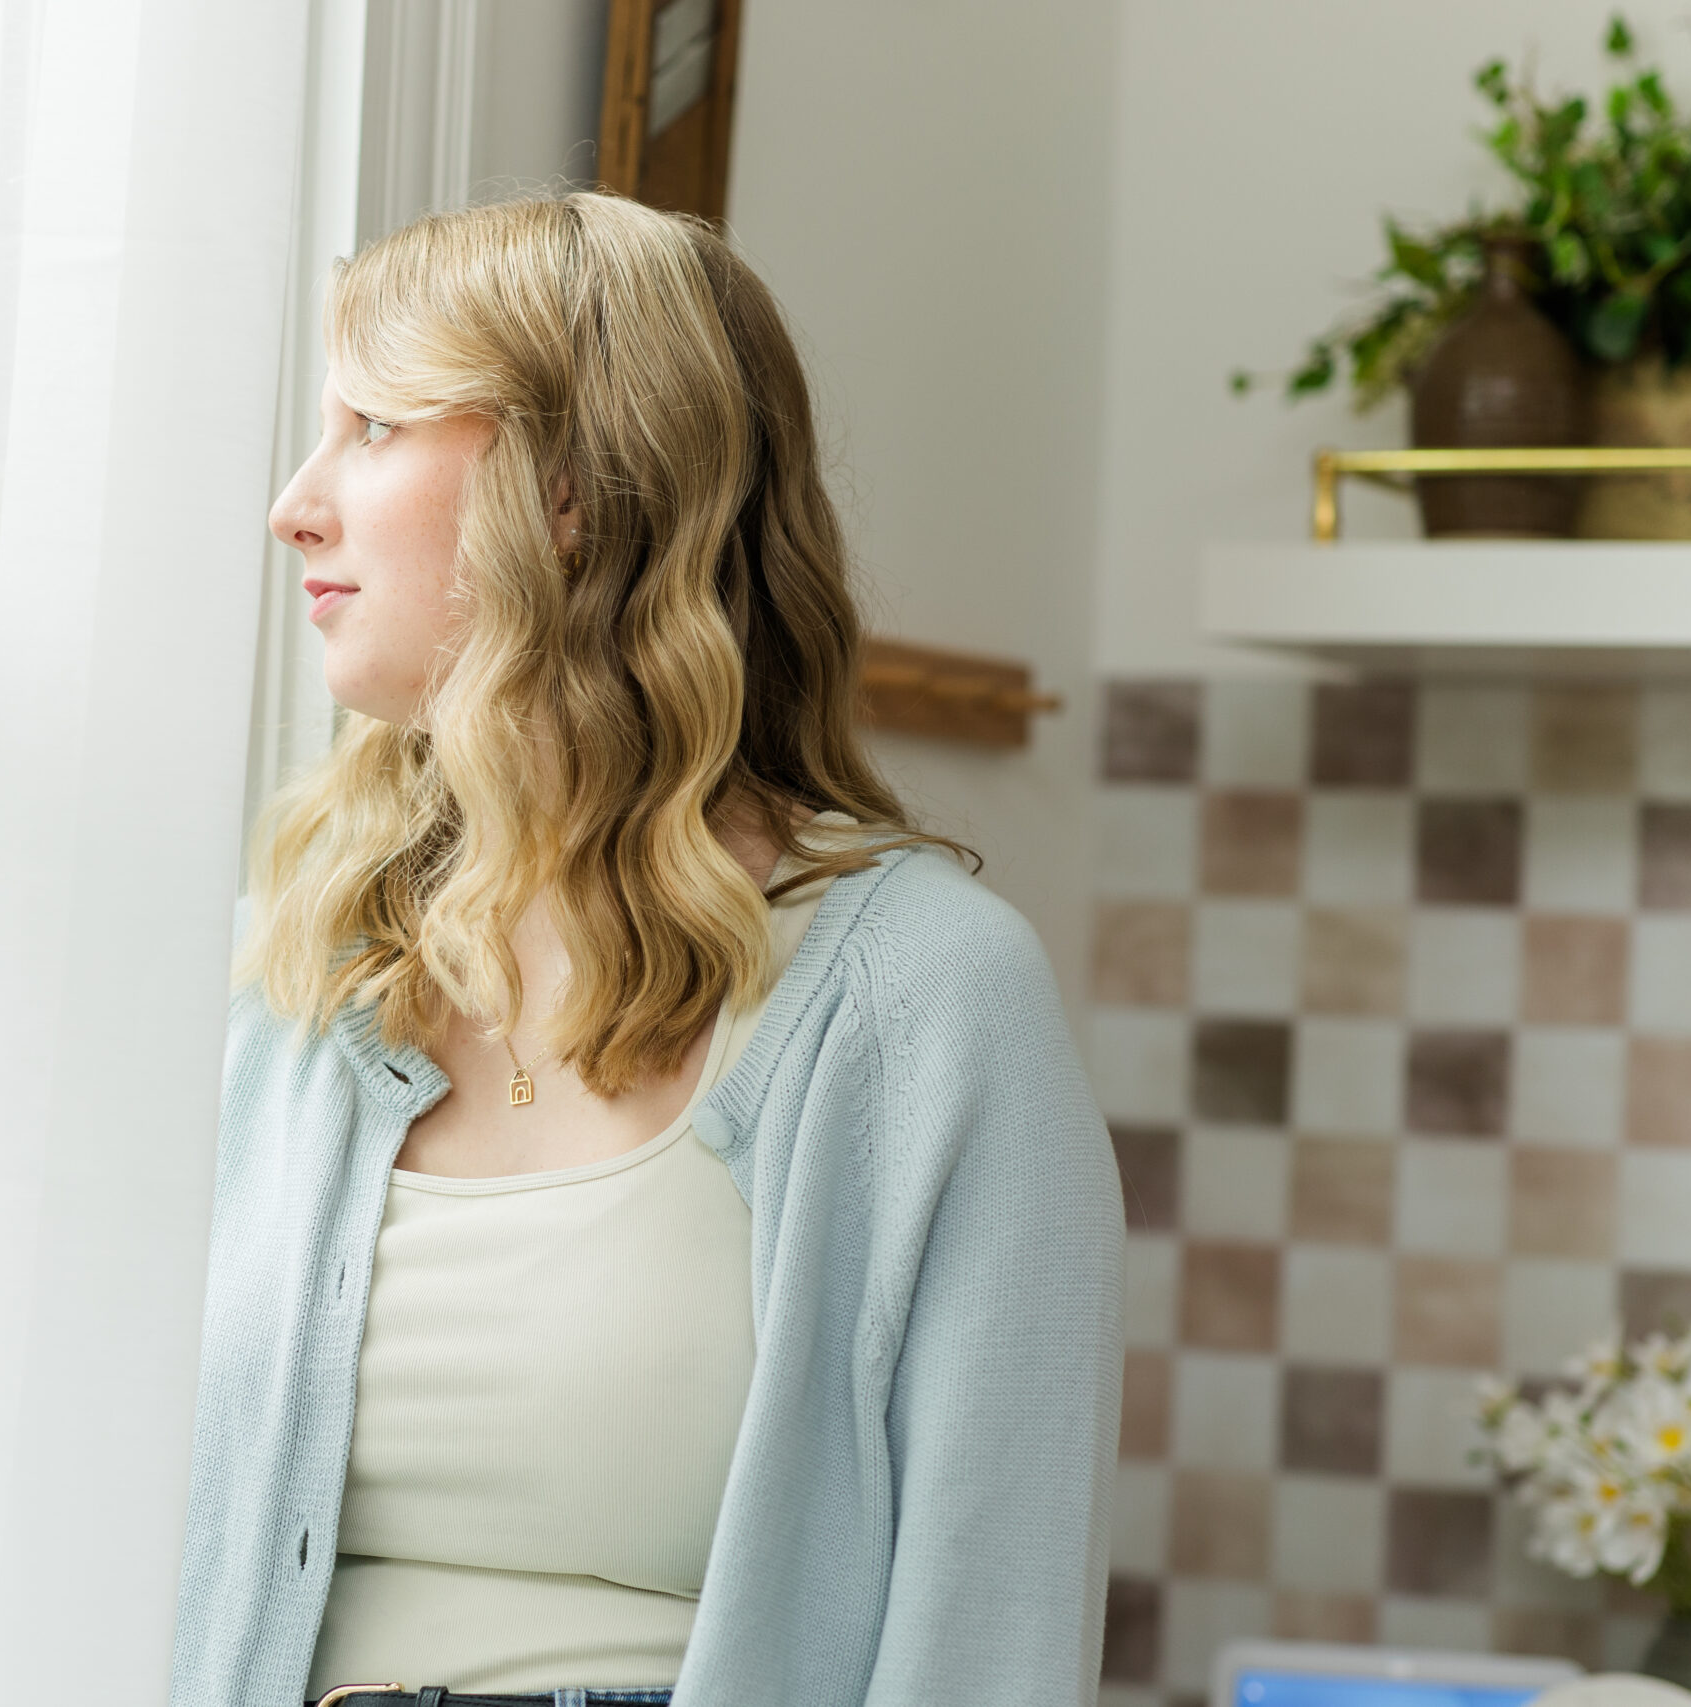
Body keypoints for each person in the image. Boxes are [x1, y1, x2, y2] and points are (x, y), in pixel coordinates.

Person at [170, 191, 1122, 1707]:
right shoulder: (276, 980)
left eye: (376, 427)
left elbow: (988, 1641)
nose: (295, 504)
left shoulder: (923, 1001)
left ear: (573, 488)